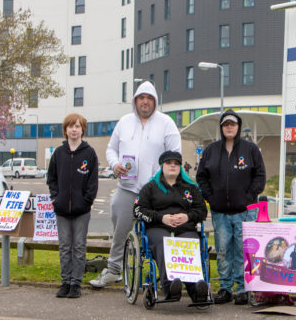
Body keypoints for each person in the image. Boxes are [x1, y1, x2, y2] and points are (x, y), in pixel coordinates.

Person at [90, 81, 181, 288]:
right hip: (127, 187)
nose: (145, 102)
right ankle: (114, 270)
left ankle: (165, 277)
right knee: (120, 225)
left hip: (157, 191)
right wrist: (115, 165)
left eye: (149, 98)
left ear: (154, 101)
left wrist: (162, 176)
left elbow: (175, 154)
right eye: (141, 98)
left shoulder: (166, 123)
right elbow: (111, 149)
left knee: (159, 232)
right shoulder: (124, 122)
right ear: (135, 101)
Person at [196, 109, 266, 305]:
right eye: (226, 124)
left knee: (244, 251)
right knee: (223, 250)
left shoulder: (250, 149)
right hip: (220, 213)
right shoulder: (211, 150)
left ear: (238, 127)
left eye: (232, 124)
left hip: (246, 211)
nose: (229, 127)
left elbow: (260, 176)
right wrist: (210, 197)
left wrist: (250, 195)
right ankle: (225, 288)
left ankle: (243, 289)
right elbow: (201, 176)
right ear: (221, 127)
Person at [133, 151, 208, 303]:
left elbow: (202, 210)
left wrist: (187, 216)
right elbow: (138, 210)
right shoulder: (150, 187)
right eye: (169, 163)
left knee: (189, 244)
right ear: (162, 166)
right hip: (158, 226)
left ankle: (197, 291)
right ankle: (170, 286)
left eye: (176, 164)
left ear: (180, 167)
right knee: (164, 243)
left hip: (185, 227)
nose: (172, 166)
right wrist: (162, 218)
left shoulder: (191, 188)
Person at [47, 113, 98, 299]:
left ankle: (76, 283)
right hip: (61, 210)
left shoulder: (89, 153)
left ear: (82, 130)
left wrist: (86, 201)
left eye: (78, 126)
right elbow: (51, 177)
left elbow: (93, 182)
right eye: (71, 126)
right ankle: (65, 281)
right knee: (64, 246)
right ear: (65, 130)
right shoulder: (59, 153)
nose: (74, 130)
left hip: (81, 211)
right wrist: (56, 198)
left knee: (78, 246)